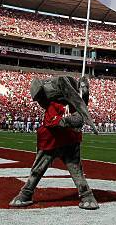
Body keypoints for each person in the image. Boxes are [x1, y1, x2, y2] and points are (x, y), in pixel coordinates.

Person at [11, 76, 99, 210]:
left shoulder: (69, 105)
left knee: (75, 170)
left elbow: (78, 119)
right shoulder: (55, 105)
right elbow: (56, 121)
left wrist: (77, 117)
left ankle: (86, 194)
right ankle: (26, 193)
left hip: (66, 141)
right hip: (53, 141)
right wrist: (69, 121)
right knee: (39, 169)